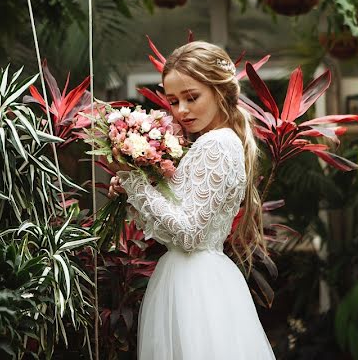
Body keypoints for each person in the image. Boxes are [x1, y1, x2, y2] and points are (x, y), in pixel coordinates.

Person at [117, 41, 276, 359]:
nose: (182, 110)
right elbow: (176, 226)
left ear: (219, 91)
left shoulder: (215, 145)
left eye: (192, 97)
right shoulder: (218, 141)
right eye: (174, 100)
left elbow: (188, 233)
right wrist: (134, 193)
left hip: (195, 285)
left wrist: (133, 182)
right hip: (194, 277)